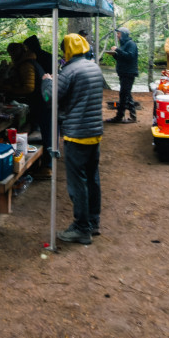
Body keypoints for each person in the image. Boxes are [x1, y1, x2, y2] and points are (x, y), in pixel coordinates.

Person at [43, 33, 105, 245]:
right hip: (94, 133)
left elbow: (50, 98)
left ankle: (81, 228)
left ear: (68, 50)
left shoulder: (69, 71)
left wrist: (47, 82)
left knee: (77, 183)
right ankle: (93, 222)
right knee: (92, 179)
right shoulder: (94, 67)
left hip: (77, 134)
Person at [0, 43, 49, 141]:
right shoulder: (27, 62)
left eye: (12, 53)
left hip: (39, 101)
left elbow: (29, 88)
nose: (11, 56)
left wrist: (10, 89)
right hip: (41, 99)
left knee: (35, 127)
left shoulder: (26, 64)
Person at [105, 27, 139, 123]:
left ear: (124, 34)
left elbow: (130, 56)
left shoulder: (131, 44)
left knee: (124, 95)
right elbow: (122, 58)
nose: (117, 35)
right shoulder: (123, 45)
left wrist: (117, 50)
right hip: (123, 73)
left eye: (119, 33)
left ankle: (119, 117)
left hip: (129, 73)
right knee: (126, 94)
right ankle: (132, 116)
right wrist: (115, 55)